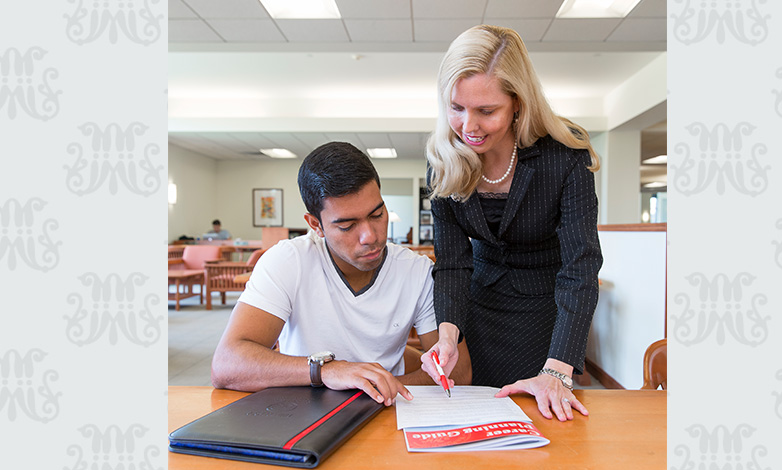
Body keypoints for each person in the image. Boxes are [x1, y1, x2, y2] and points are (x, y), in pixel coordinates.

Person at [419, 25, 603, 421]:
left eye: (486, 111)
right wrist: (448, 335)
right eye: (456, 108)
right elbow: (452, 262)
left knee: (540, 424)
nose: (469, 126)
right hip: (478, 308)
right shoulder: (443, 160)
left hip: (548, 313)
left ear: (518, 102)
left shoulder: (563, 157)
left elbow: (580, 267)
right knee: (478, 421)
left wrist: (556, 370)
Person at [212, 142, 471, 406]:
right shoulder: (289, 261)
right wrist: (327, 370)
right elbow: (226, 365)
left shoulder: (416, 271)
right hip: (301, 412)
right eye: (347, 226)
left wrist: (373, 387)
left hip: (385, 412)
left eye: (377, 214)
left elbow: (459, 373)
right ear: (316, 225)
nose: (370, 236)